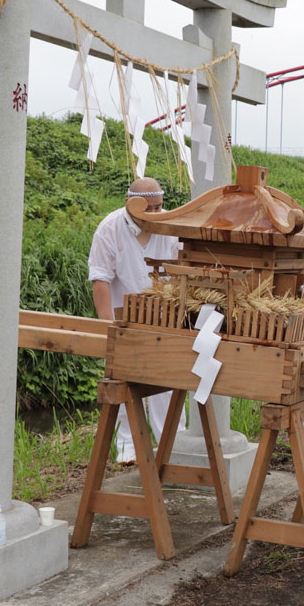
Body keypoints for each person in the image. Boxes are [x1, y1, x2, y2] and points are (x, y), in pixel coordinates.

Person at [88, 177, 187, 462]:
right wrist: (107, 327)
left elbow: (181, 268)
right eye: (148, 208)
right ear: (131, 204)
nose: (155, 214)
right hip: (124, 318)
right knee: (124, 380)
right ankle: (128, 448)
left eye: (159, 207)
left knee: (166, 382)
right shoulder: (110, 228)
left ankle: (173, 444)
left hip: (162, 318)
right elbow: (100, 278)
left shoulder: (168, 226)